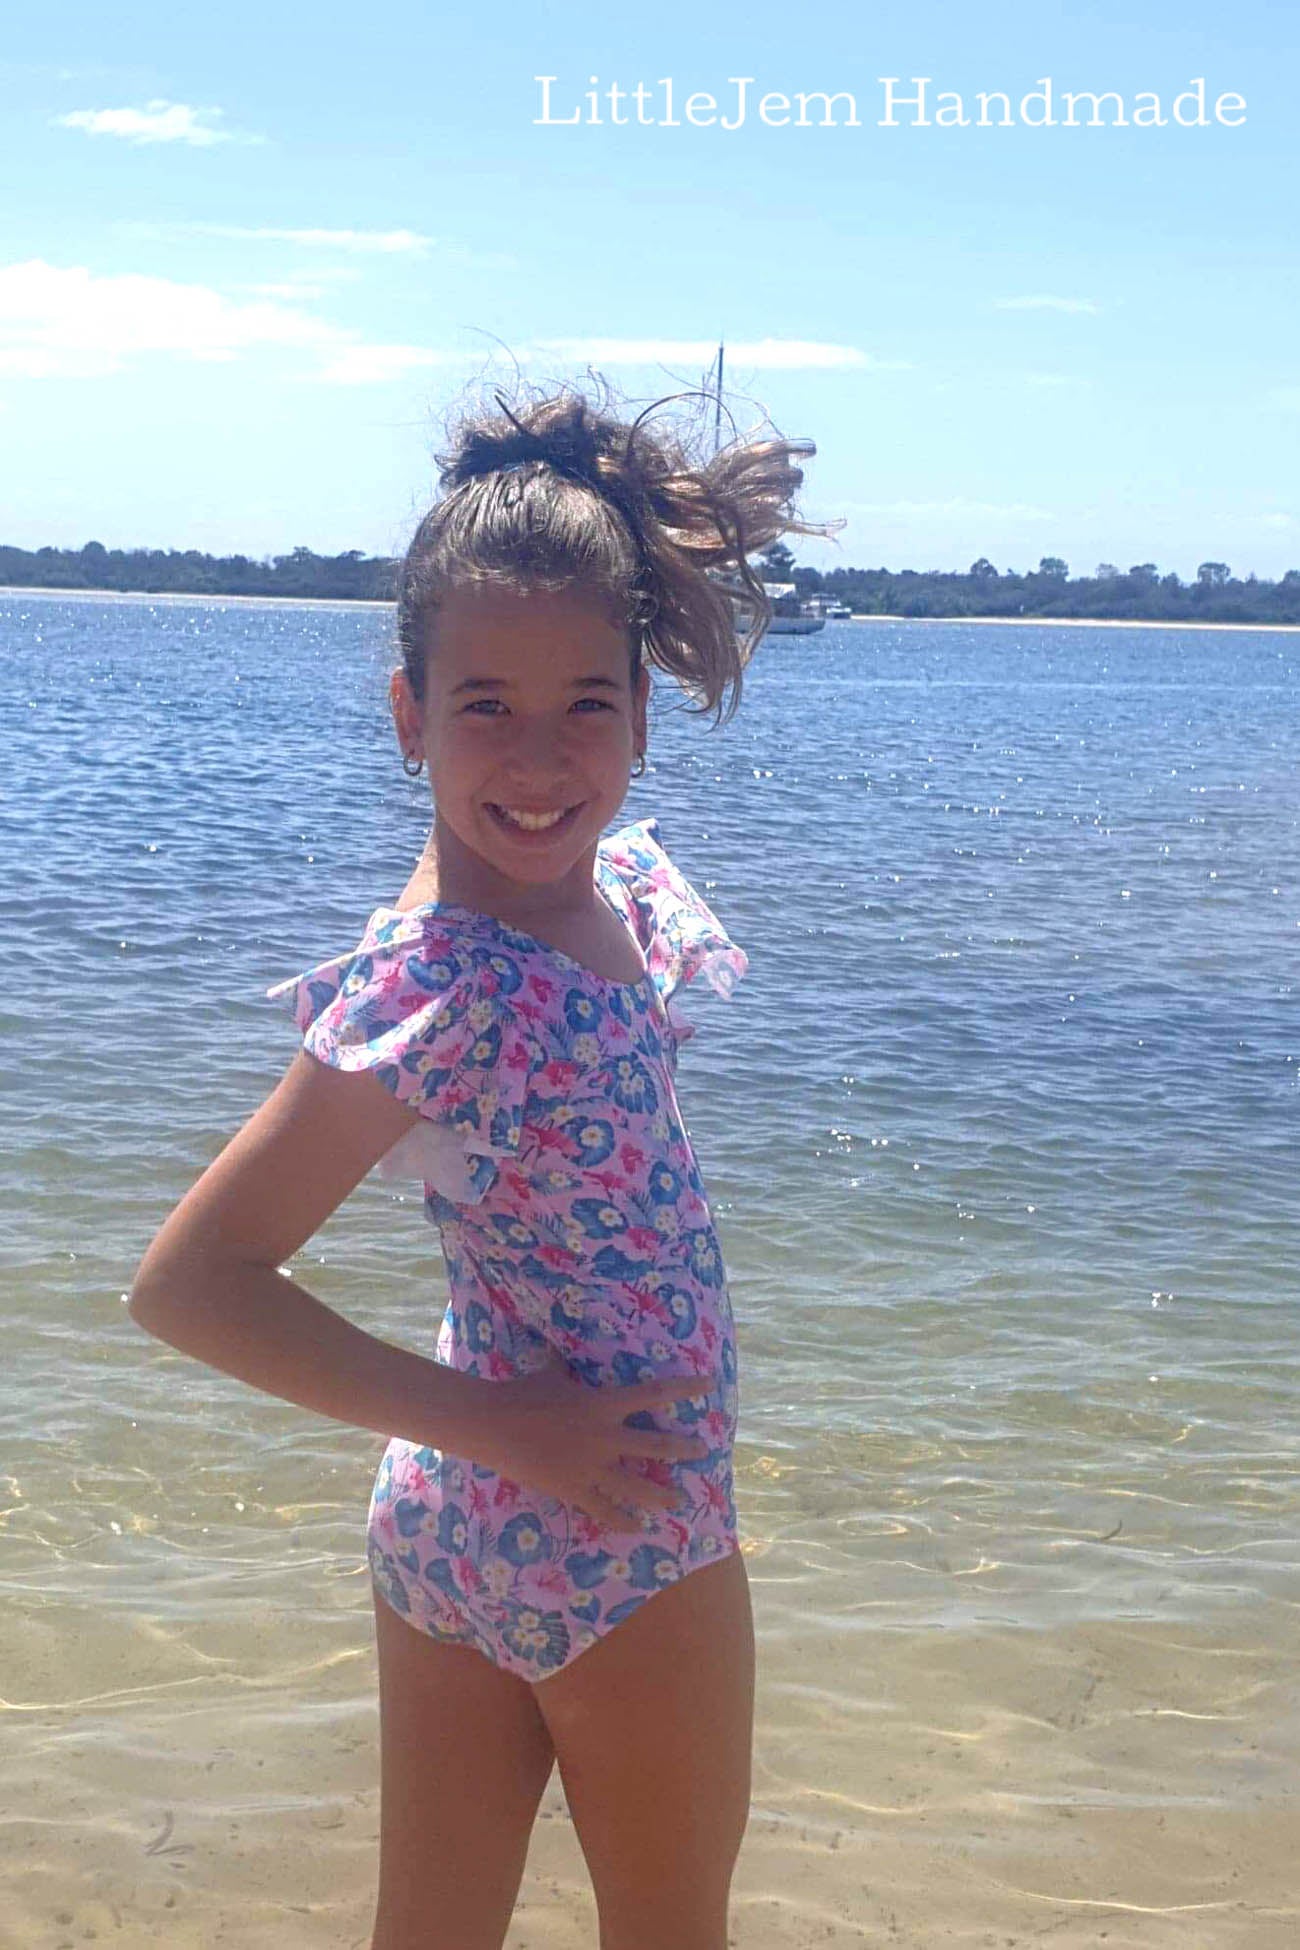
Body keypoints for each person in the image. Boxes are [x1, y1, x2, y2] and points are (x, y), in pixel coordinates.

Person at [128, 376, 831, 1950]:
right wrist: (510, 1427)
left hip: (457, 1520)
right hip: (622, 1520)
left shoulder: (589, 891)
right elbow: (191, 1285)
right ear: (410, 718)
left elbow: (494, 826)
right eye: (485, 707)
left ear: (641, 710)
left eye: (585, 703)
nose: (539, 758)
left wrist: (491, 1437)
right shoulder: (449, 980)